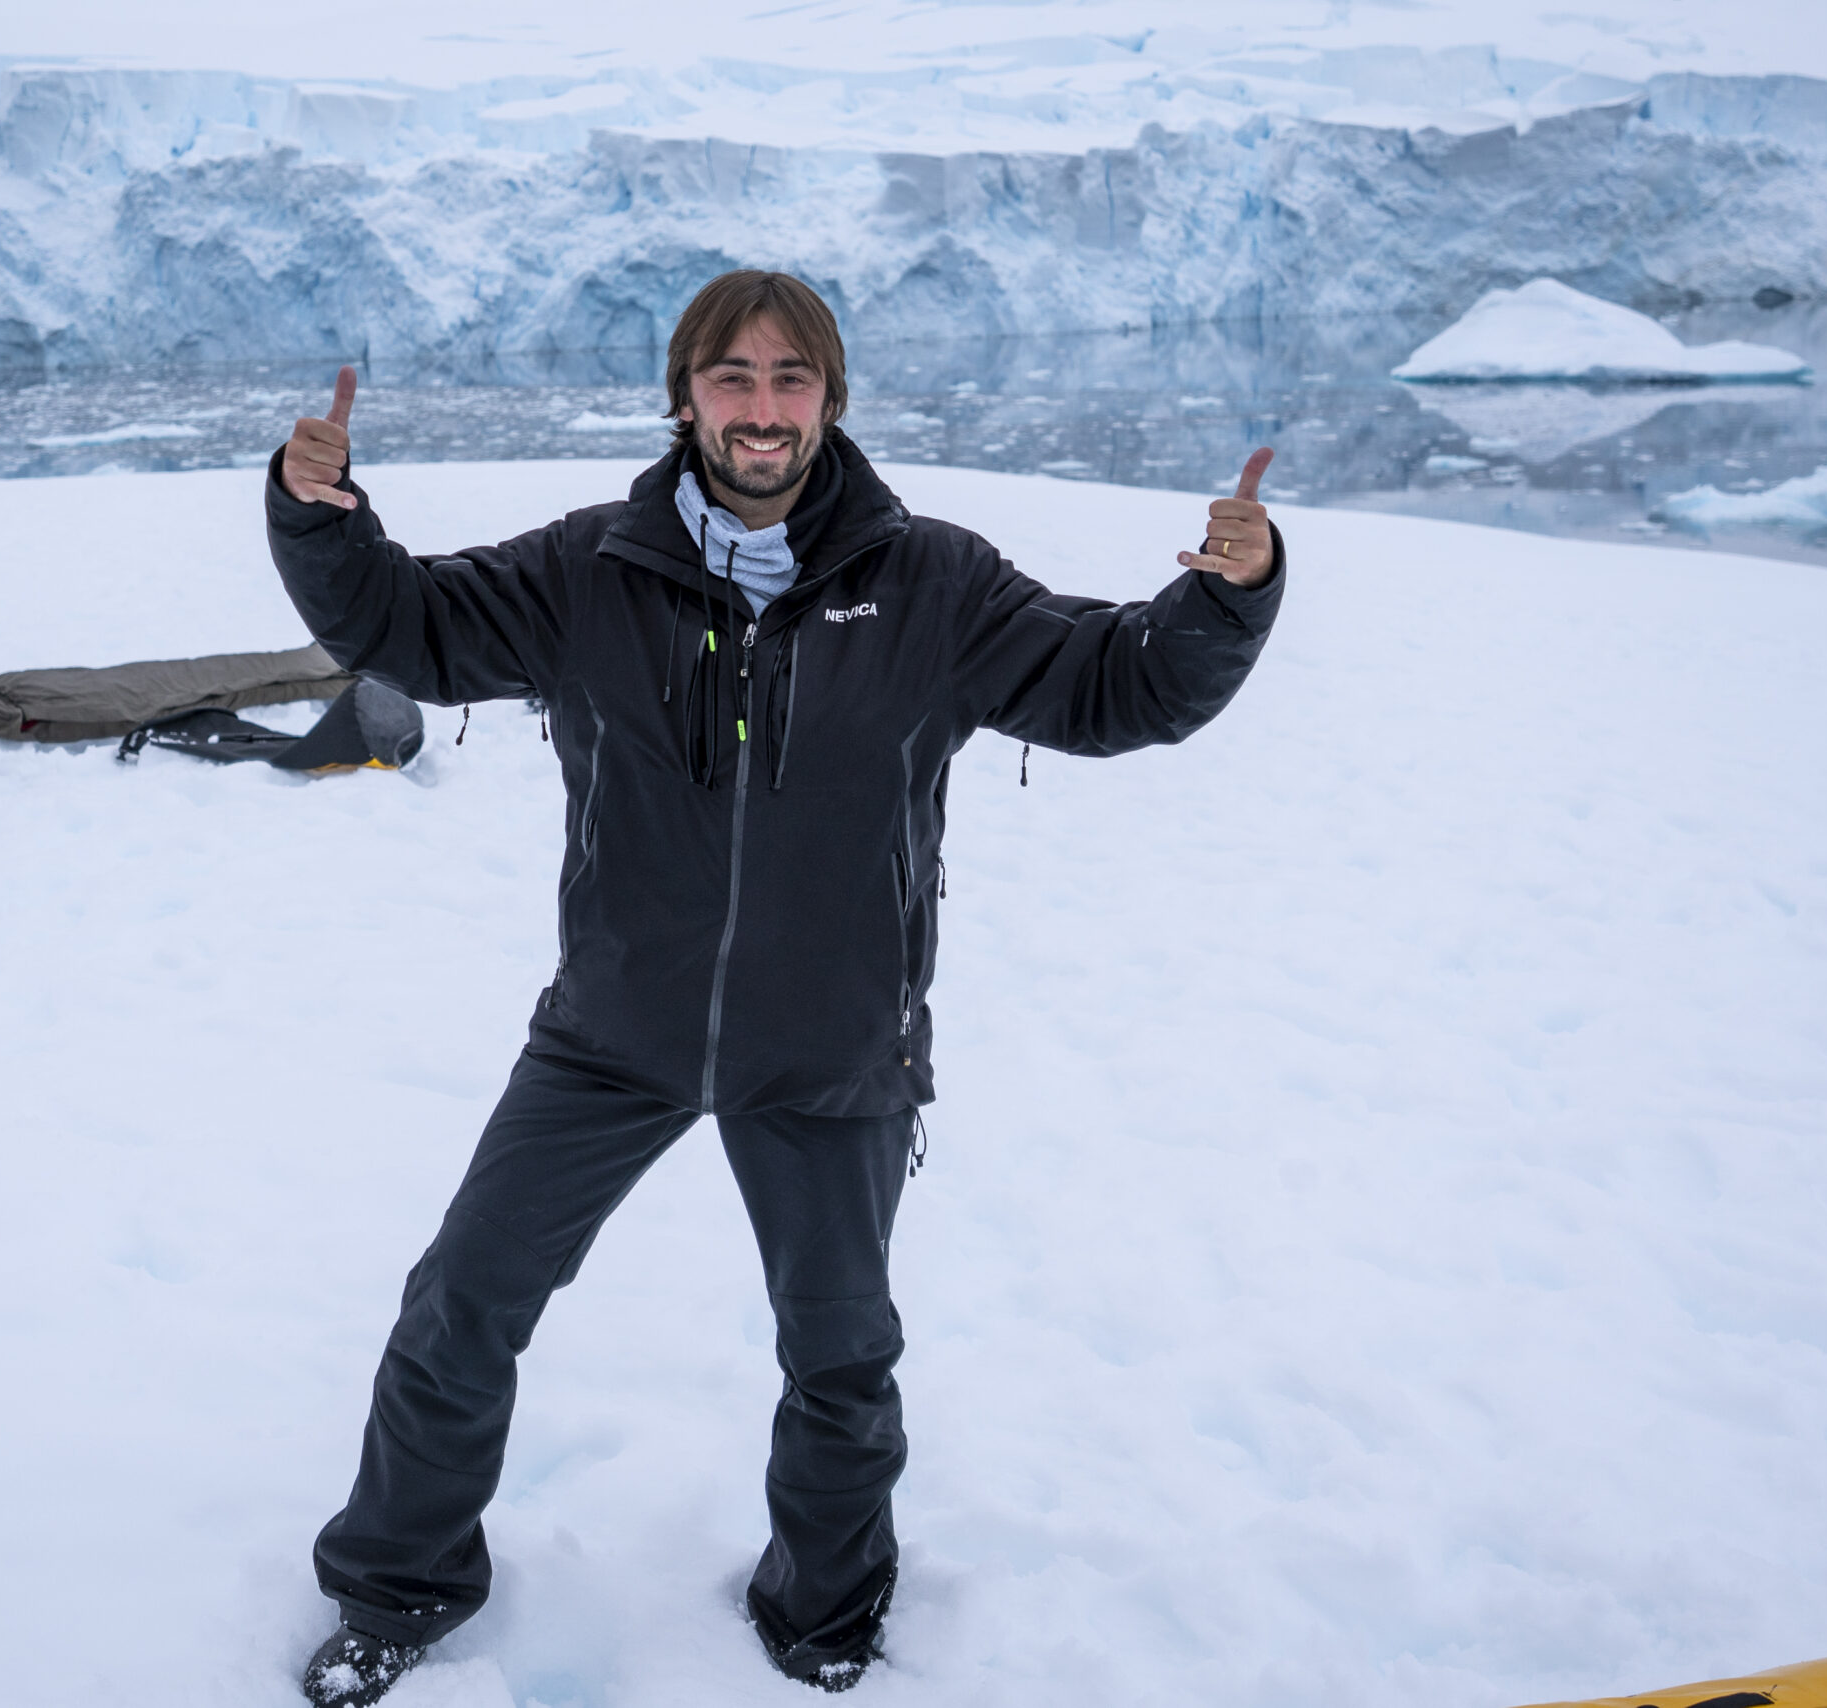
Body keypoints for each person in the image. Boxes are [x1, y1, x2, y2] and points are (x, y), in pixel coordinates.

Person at [268, 271, 1284, 1703]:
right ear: (686, 398)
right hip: (614, 1028)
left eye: (789, 377)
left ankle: (826, 1610)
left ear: (830, 398)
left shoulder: (932, 581)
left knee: (841, 1356)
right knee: (461, 1305)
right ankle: (401, 1584)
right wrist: (322, 518)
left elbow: (1116, 686)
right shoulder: (589, 570)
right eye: (732, 377)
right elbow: (411, 629)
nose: (760, 407)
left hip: (831, 1046)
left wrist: (1225, 597)